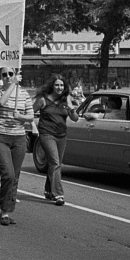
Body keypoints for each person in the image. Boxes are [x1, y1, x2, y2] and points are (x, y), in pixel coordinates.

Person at [0, 67, 34, 226]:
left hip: (18, 137)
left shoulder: (24, 94)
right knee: (7, 173)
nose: (7, 76)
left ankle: (6, 211)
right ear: (1, 77)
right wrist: (13, 84)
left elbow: (31, 116)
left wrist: (20, 116)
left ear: (15, 74)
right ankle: (4, 209)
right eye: (4, 74)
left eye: (10, 74)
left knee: (15, 175)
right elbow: (0, 102)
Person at [34, 75, 79, 206]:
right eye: (57, 85)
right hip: (47, 134)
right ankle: (58, 194)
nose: (59, 88)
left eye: (62, 85)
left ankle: (48, 190)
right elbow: (30, 112)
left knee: (55, 164)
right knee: (55, 162)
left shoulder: (66, 99)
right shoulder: (43, 99)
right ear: (52, 86)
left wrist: (71, 108)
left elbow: (75, 118)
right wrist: (32, 126)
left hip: (61, 135)